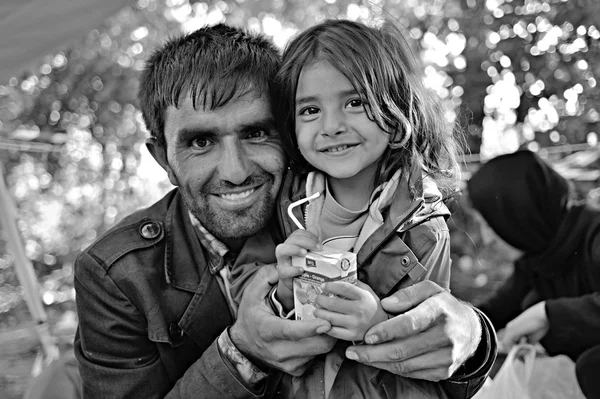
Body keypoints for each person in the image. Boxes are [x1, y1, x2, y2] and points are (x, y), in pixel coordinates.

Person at [73, 23, 496, 399]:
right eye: (201, 142)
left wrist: (474, 338)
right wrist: (240, 353)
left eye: (256, 132)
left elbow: (436, 343)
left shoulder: (341, 203)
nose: (236, 172)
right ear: (163, 159)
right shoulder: (116, 276)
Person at [262, 19, 460, 398]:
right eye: (309, 111)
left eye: (355, 103)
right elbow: (254, 315)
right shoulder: (284, 203)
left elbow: (430, 342)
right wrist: (286, 291)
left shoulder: (423, 226)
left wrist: (378, 323)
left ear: (395, 110)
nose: (332, 126)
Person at [467, 150, 600, 399]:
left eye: (489, 224)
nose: (486, 239)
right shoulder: (537, 260)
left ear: (517, 214)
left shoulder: (594, 235)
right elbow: (494, 313)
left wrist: (545, 314)